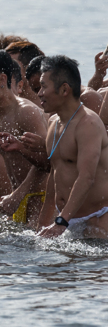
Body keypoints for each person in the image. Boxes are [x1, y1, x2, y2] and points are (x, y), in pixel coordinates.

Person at [0, 49, 49, 228]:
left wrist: (18, 195)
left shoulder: (26, 112)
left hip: (41, 199)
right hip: (16, 200)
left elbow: (48, 162)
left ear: (1, 79)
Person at [35, 56, 108, 238]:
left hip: (97, 218)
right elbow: (55, 173)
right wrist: (43, 221)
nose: (39, 93)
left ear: (64, 89)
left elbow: (87, 177)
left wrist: (61, 222)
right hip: (67, 219)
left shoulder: (88, 124)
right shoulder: (53, 122)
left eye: (44, 86)